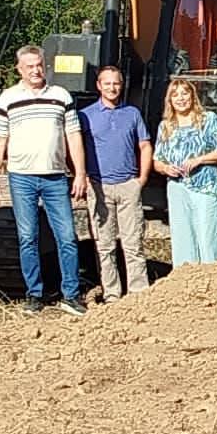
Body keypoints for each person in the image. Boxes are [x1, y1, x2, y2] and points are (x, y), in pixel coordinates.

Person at [0, 44, 92, 313]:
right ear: (19, 69)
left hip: (55, 177)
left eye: (39, 65)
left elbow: (73, 136)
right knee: (28, 237)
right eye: (29, 66)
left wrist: (79, 173)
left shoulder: (60, 96)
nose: (35, 70)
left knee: (67, 236)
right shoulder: (8, 98)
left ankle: (70, 294)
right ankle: (33, 294)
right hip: (21, 177)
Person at [76, 63, 152, 302]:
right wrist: (83, 176)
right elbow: (74, 148)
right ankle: (111, 294)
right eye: (107, 83)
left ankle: (138, 292)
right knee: (105, 245)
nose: (112, 88)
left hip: (128, 185)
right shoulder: (85, 116)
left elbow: (145, 145)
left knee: (133, 243)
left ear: (122, 85)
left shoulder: (132, 114)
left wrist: (142, 179)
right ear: (99, 86)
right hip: (99, 187)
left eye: (116, 83)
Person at [152, 76, 217, 270]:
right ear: (170, 100)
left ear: (192, 96)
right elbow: (157, 160)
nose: (181, 98)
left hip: (205, 187)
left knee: (207, 236)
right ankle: (185, 279)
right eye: (175, 95)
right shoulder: (166, 126)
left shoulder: (208, 120)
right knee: (182, 236)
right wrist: (165, 168)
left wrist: (199, 160)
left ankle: (211, 278)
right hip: (177, 188)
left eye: (185, 93)